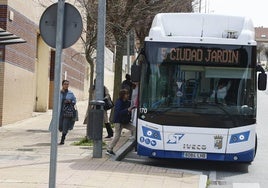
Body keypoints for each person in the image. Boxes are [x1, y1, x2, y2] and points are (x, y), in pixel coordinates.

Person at [106, 89, 136, 155]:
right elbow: (119, 112)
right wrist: (128, 109)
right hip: (118, 122)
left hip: (124, 121)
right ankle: (109, 148)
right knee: (117, 136)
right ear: (123, 95)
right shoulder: (119, 102)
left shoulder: (127, 102)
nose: (128, 95)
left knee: (134, 129)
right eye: (126, 94)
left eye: (128, 94)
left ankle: (136, 143)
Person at [59, 80, 76, 145]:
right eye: (65, 84)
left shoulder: (70, 93)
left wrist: (70, 101)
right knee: (60, 126)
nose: (66, 85)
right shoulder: (59, 93)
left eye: (67, 84)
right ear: (62, 85)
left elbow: (74, 101)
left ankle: (63, 139)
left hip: (67, 112)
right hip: (60, 112)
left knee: (65, 125)